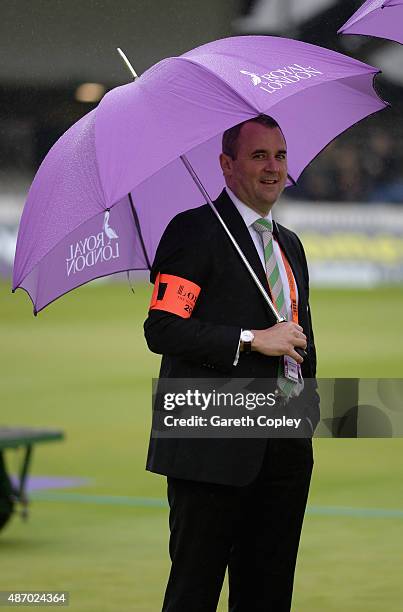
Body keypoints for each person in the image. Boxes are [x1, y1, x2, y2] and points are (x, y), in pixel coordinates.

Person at [143, 114, 319, 612]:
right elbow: (162, 328)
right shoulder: (192, 232)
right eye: (259, 155)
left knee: (268, 596)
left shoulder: (290, 244)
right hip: (210, 442)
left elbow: (300, 341)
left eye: (280, 155)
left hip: (283, 447)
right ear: (226, 165)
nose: (273, 168)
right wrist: (249, 339)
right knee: (194, 594)